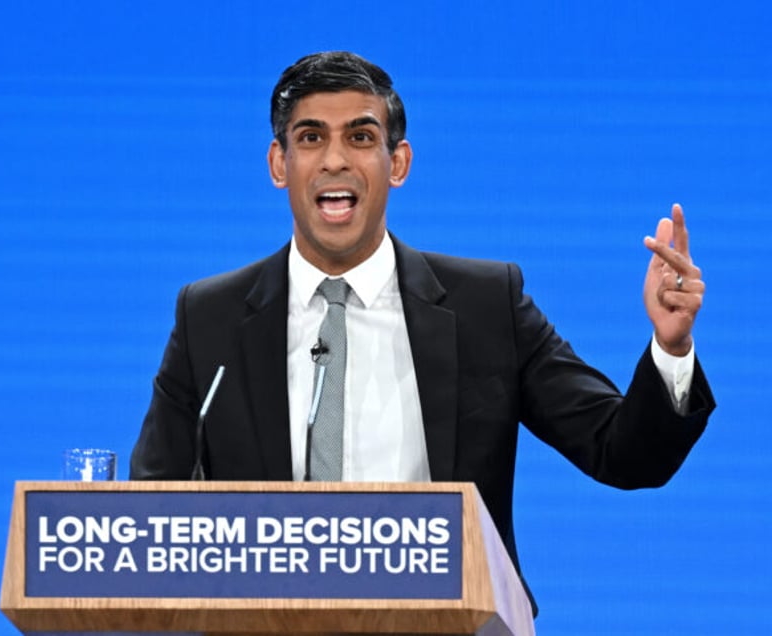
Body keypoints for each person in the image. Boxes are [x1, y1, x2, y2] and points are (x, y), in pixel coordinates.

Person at [129, 51, 715, 611]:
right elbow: (150, 519)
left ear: (398, 163)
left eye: (360, 137)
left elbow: (623, 454)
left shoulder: (487, 306)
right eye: (311, 138)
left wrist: (671, 347)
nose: (335, 160)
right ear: (280, 165)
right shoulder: (210, 318)